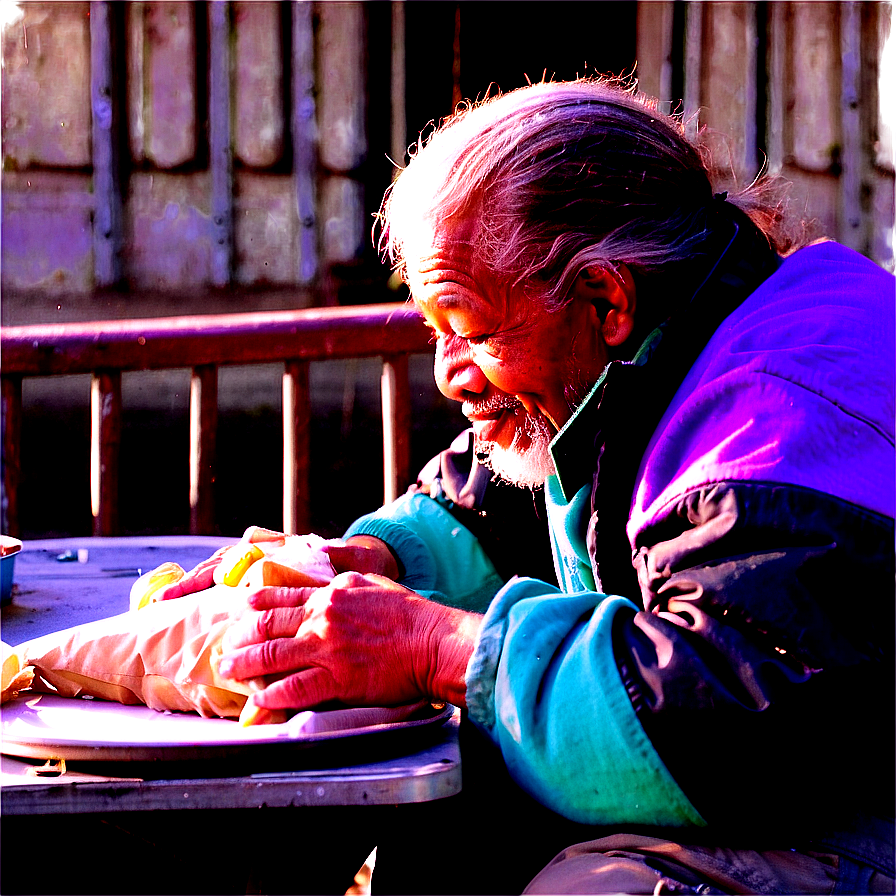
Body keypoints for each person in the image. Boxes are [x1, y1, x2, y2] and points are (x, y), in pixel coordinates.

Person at [166, 78, 895, 894]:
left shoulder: (775, 418)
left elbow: (727, 723)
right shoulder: (674, 336)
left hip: (841, 800)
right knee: (451, 829)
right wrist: (374, 564)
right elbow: (516, 495)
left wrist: (431, 644)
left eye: (470, 330)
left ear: (604, 298)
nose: (448, 375)